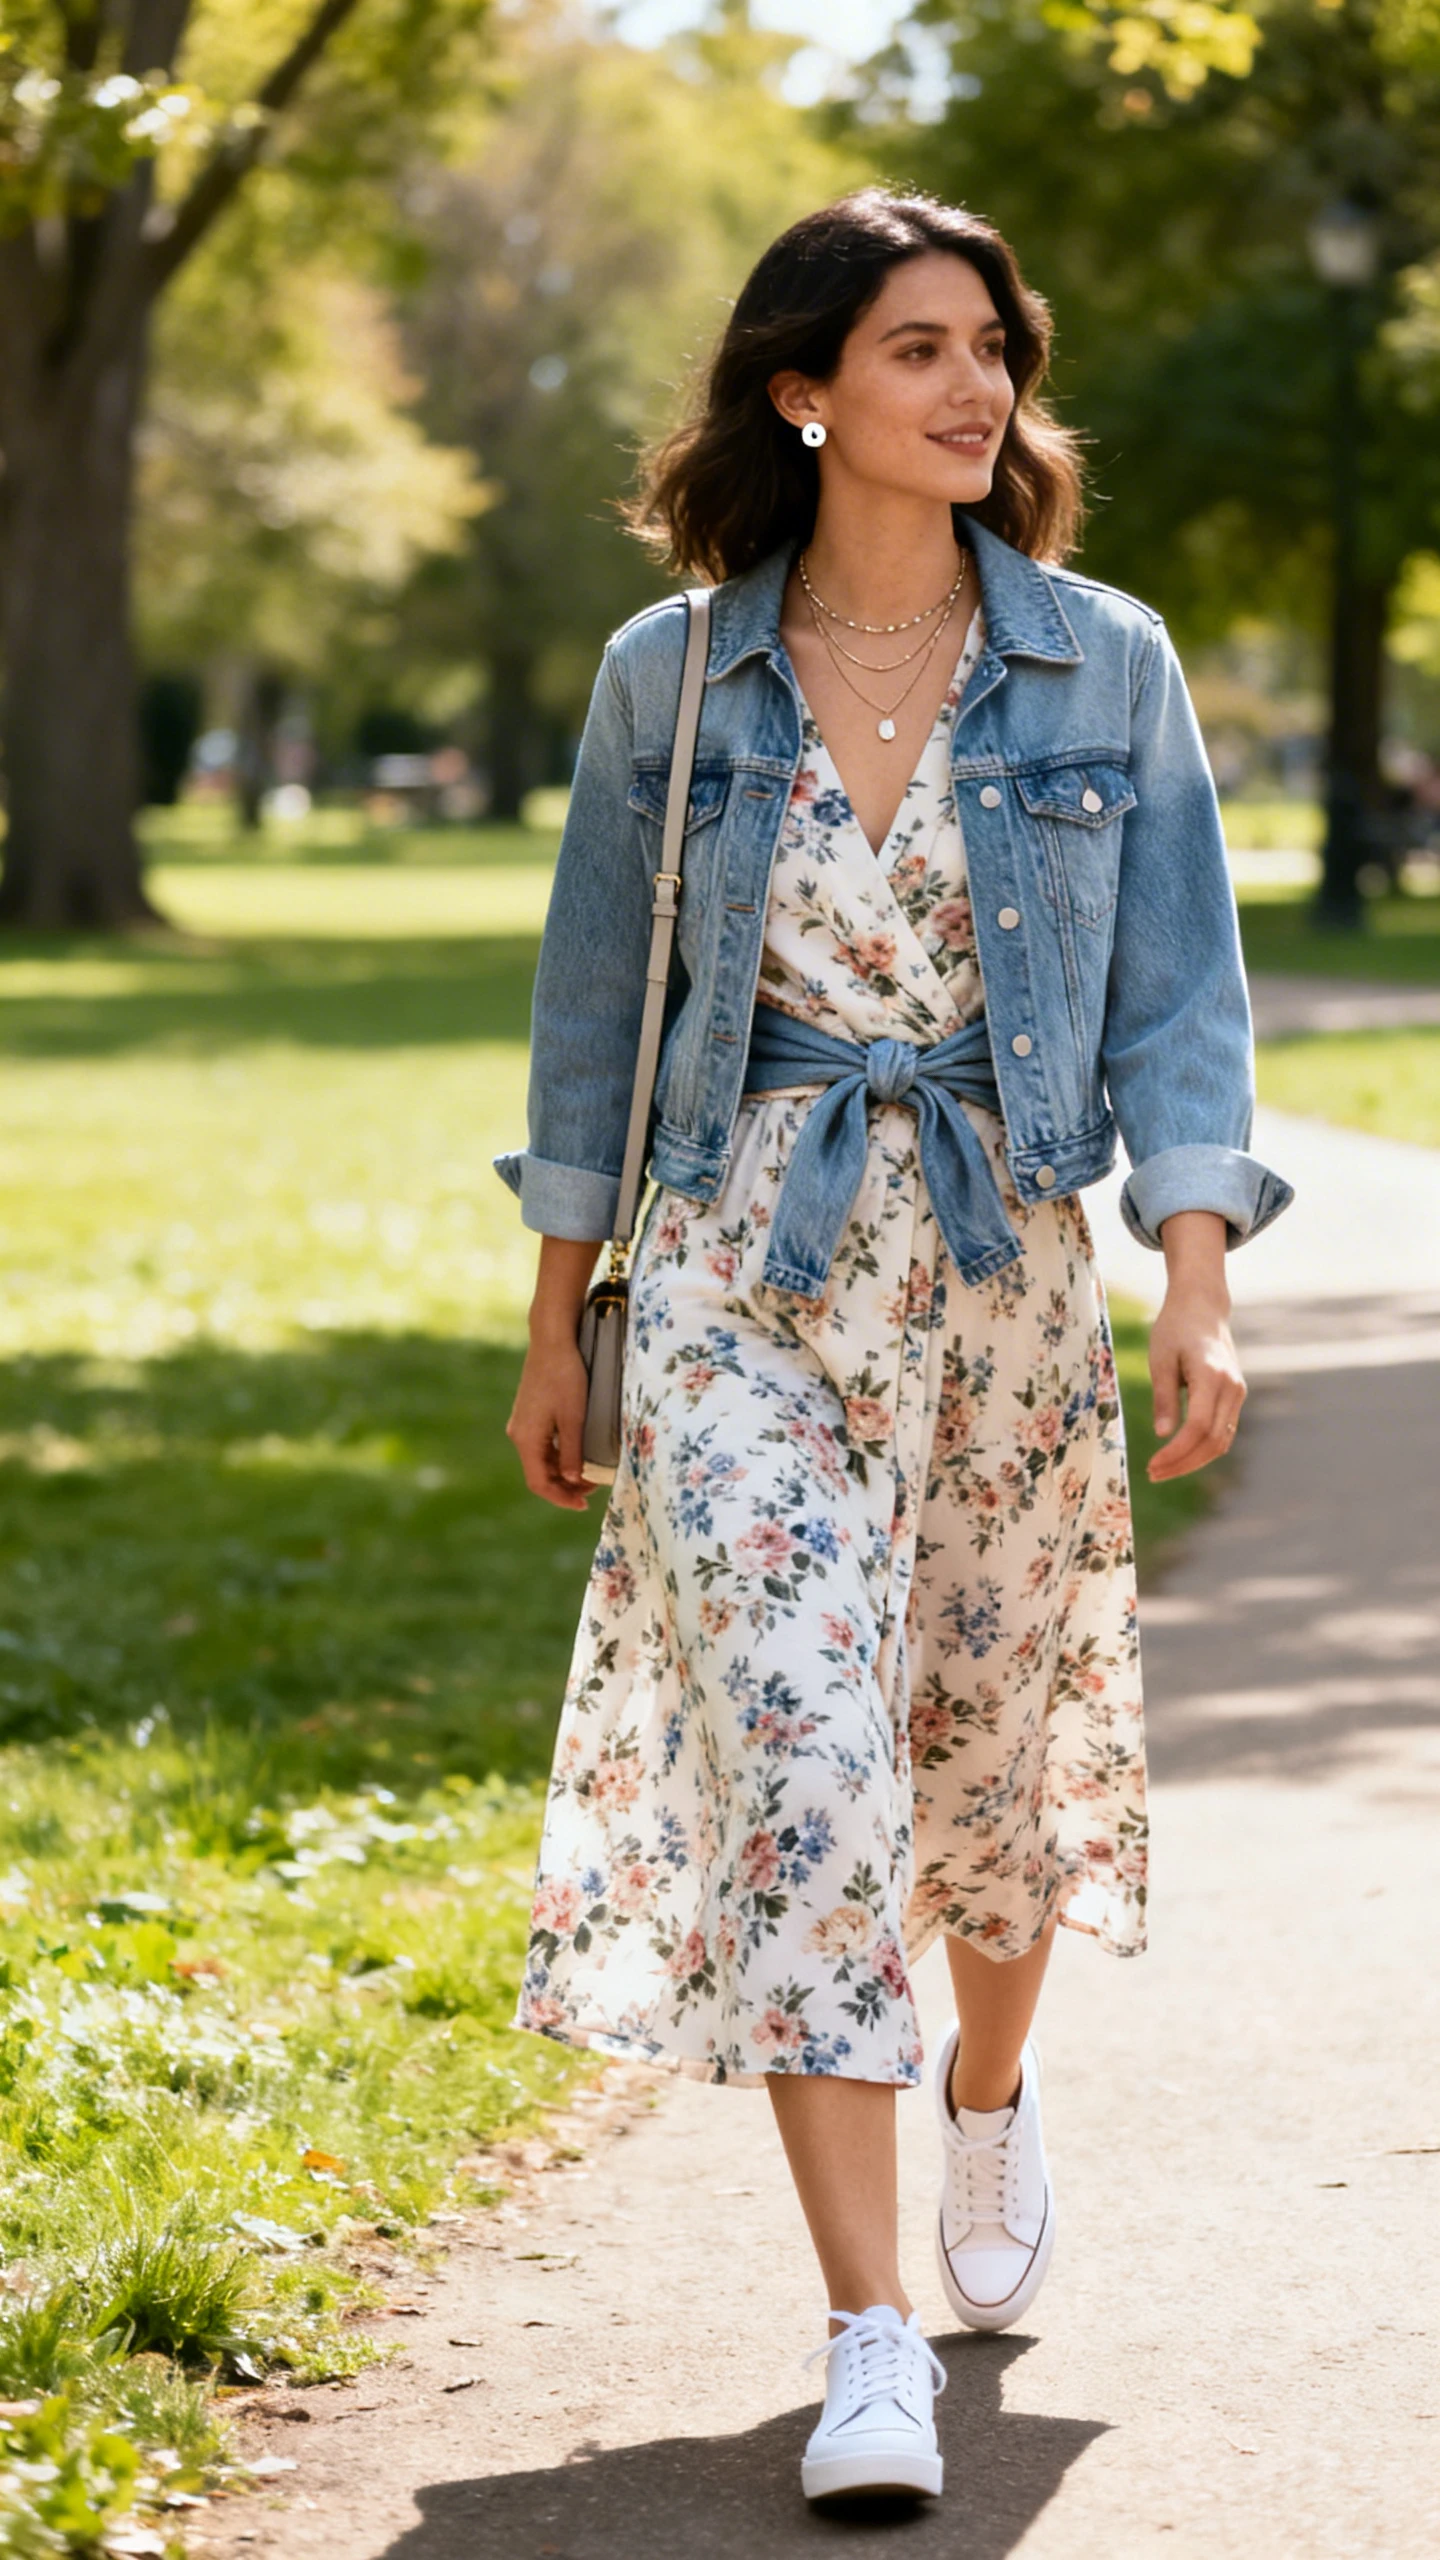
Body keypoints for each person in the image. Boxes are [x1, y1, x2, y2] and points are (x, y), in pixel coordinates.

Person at [496, 186, 1293, 2507]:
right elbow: (587, 1025)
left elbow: (1176, 999)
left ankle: (987, 2081)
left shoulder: (1103, 662)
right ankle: (867, 2334)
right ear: (804, 385)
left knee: (981, 1768)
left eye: (995, 351)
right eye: (923, 348)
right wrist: (562, 1316)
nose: (978, 391)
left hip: (997, 1282)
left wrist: (1200, 1262)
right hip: (748, 1271)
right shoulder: (674, 671)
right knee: (805, 1760)